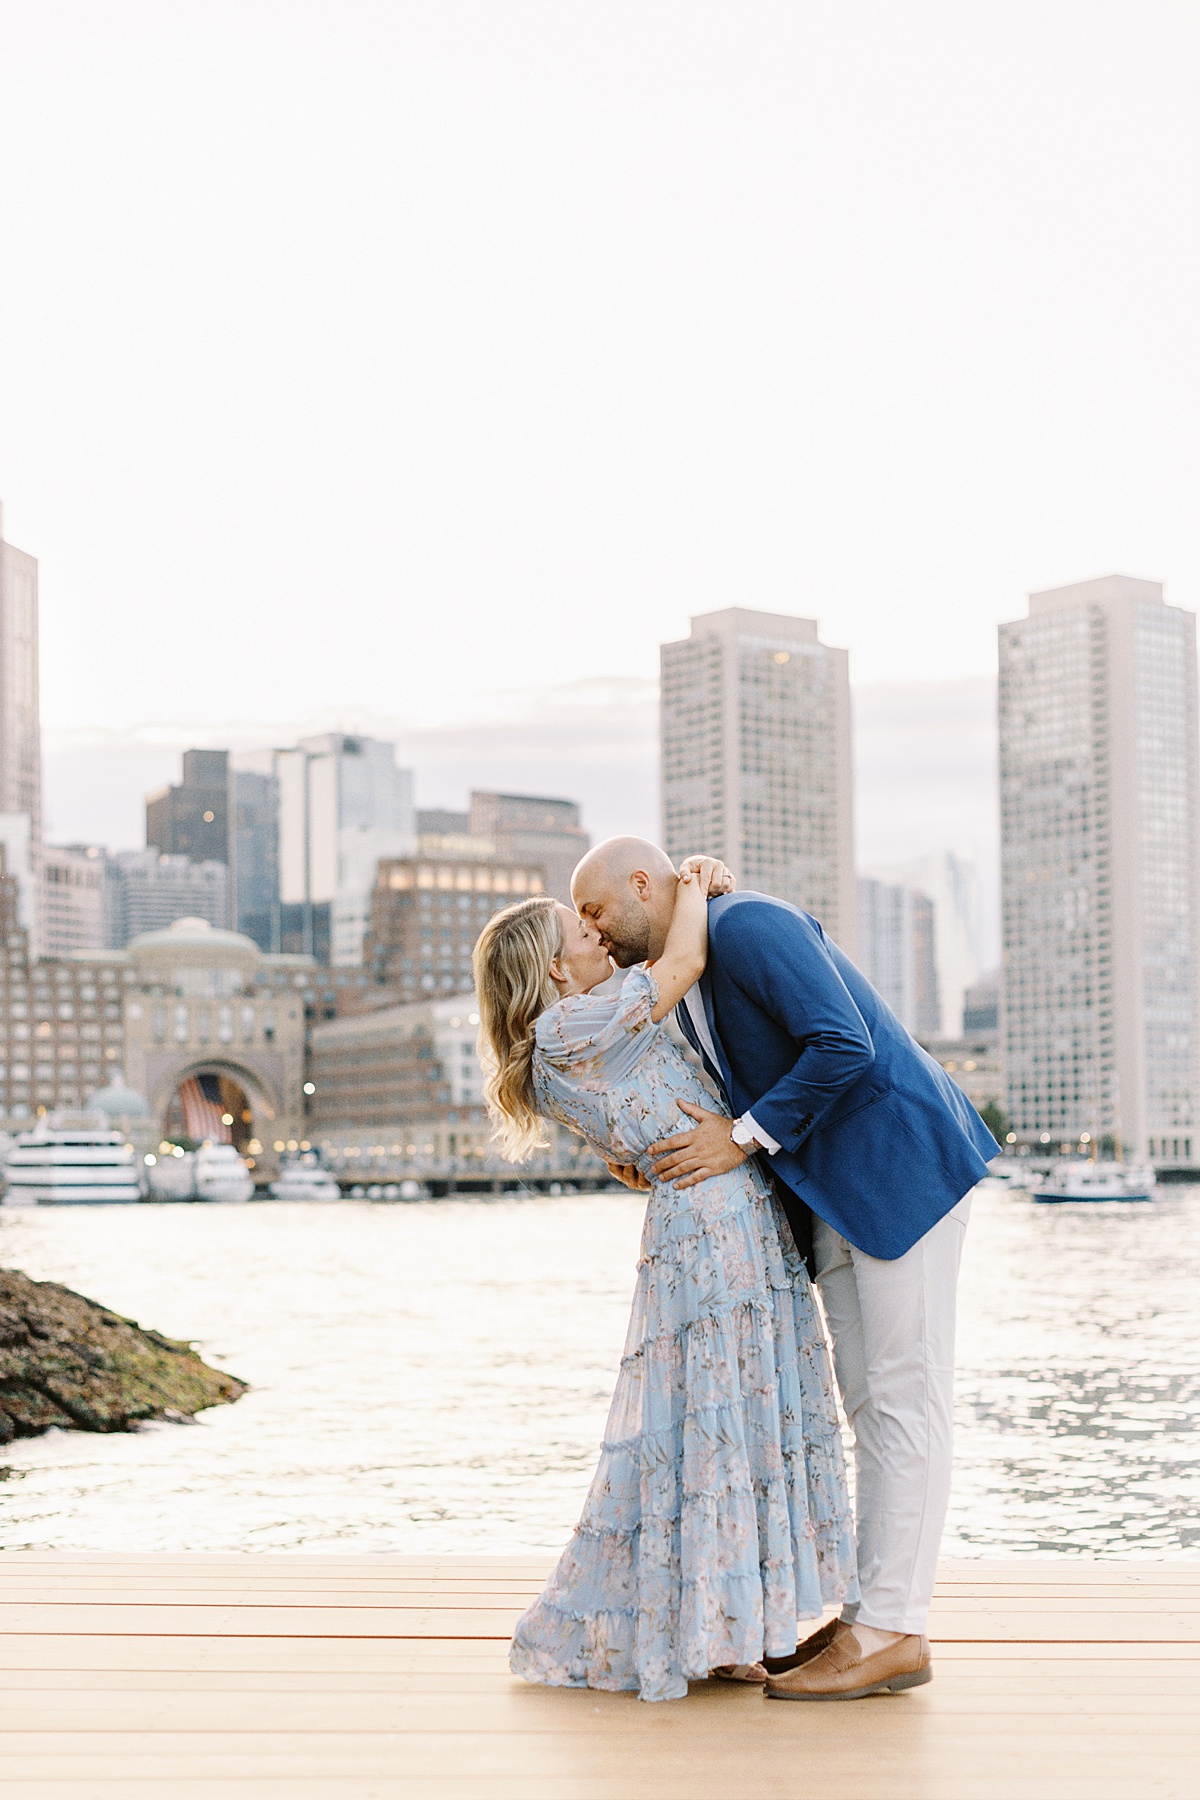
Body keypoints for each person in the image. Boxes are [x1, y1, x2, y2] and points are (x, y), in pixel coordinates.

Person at [571, 838, 999, 1703]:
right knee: (874, 1405)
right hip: (838, 1194)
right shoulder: (688, 964)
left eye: (594, 910)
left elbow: (841, 1043)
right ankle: (871, 1616)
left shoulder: (748, 922)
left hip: (899, 1173)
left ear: (643, 884)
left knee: (905, 1400)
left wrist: (738, 1136)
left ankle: (892, 1629)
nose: (592, 930)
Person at [472, 857, 855, 1704]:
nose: (598, 933)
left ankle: (723, 1623)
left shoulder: (562, 1045)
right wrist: (692, 879)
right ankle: (724, 1627)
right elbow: (681, 966)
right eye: (582, 930)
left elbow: (624, 1146)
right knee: (729, 1415)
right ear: (553, 970)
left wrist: (637, 1156)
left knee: (715, 1417)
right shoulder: (572, 1028)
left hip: (703, 1218)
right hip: (716, 1220)